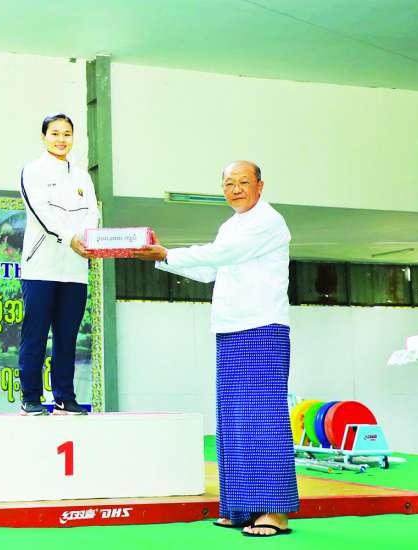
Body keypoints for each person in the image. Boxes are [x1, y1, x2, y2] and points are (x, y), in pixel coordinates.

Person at [133, 160, 298, 537]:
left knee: (264, 420)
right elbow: (211, 270)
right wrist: (163, 260)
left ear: (260, 186)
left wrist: (166, 254)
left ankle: (275, 512)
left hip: (263, 328)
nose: (236, 189)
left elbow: (222, 256)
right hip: (230, 329)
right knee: (234, 421)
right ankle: (240, 507)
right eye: (228, 184)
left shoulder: (269, 221)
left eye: (243, 182)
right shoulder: (230, 225)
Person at [17, 113, 99, 416]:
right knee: (35, 336)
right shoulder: (32, 171)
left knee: (67, 337)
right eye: (55, 133)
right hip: (41, 268)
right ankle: (30, 398)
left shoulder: (82, 176)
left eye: (67, 134)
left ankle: (65, 398)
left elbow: (92, 212)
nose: (61, 139)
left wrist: (87, 238)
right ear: (43, 137)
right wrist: (70, 238)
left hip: (75, 270)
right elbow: (41, 213)